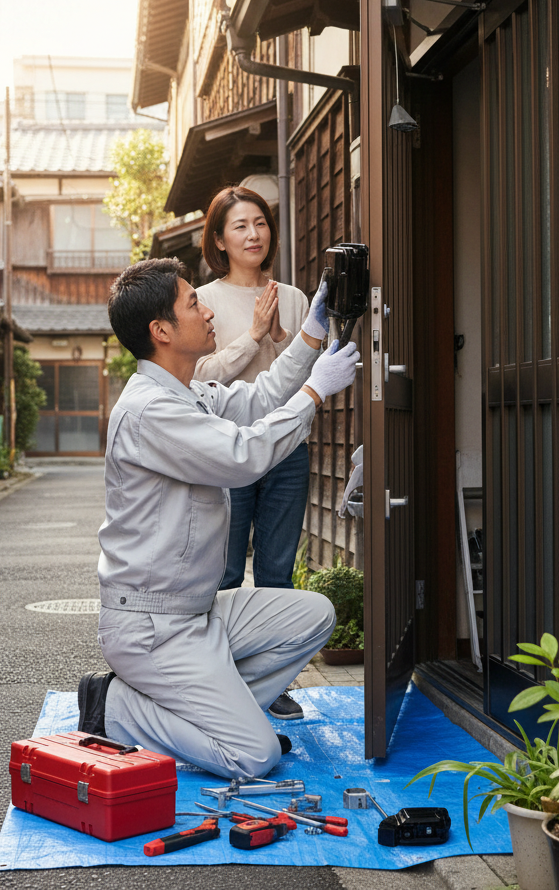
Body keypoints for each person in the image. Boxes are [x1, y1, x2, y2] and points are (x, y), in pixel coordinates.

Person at [79, 257, 359, 780]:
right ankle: (114, 709)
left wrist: (313, 330)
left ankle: (212, 717)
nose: (207, 311)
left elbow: (262, 397)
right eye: (192, 304)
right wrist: (317, 391)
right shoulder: (149, 411)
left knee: (314, 615)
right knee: (254, 757)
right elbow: (242, 457)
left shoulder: (188, 394)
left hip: (198, 613)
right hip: (153, 627)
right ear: (160, 331)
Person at [193, 185, 311, 722]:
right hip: (229, 448)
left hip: (288, 446)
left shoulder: (295, 297)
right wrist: (253, 336)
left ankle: (273, 683)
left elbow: (308, 375)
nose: (253, 234)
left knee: (278, 572)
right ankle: (218, 678)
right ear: (219, 239)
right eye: (239, 226)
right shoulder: (205, 301)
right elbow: (198, 377)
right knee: (222, 572)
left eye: (260, 223)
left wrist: (283, 338)